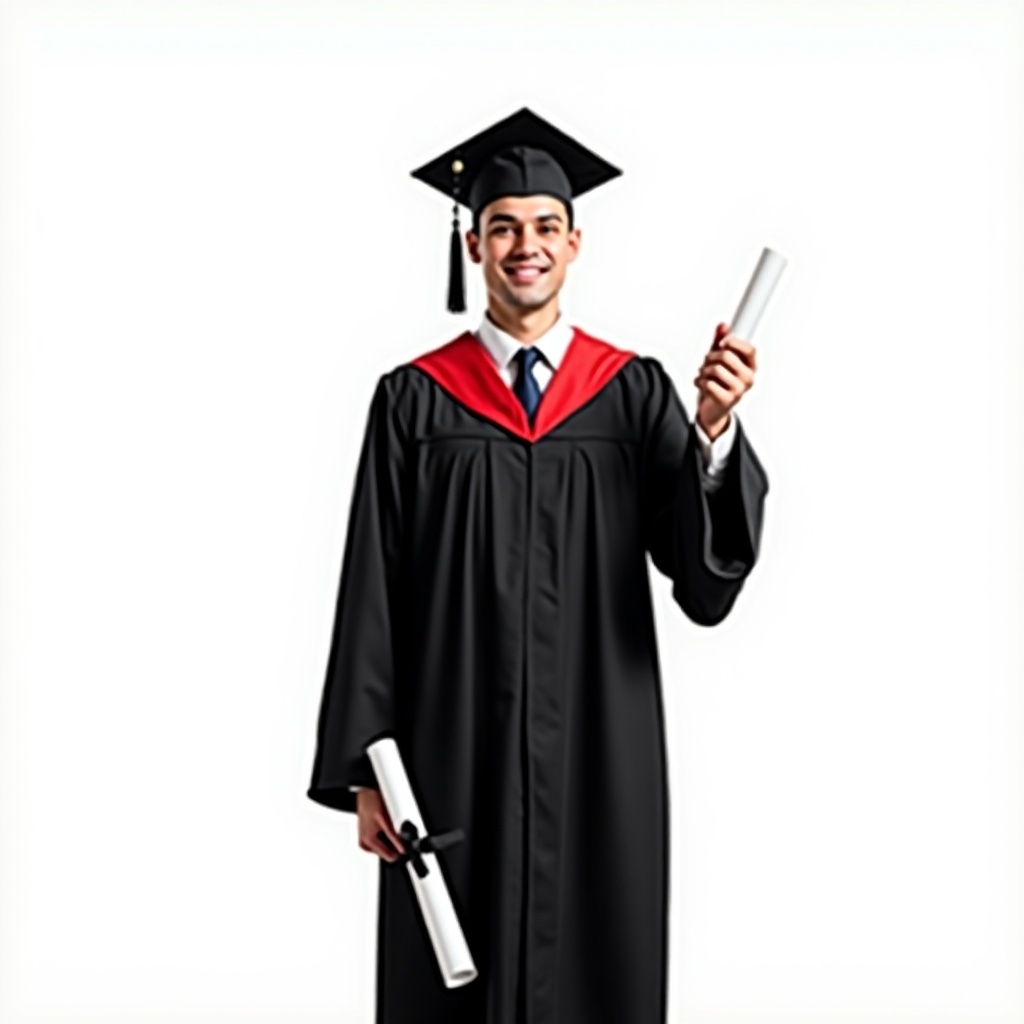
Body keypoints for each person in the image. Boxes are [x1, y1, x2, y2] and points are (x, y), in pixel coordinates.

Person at [307, 106, 769, 1024]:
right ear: (473, 245)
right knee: (449, 974)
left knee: (599, 961)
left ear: (575, 242)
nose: (527, 245)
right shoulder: (412, 401)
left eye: (545, 227)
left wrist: (711, 432)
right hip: (449, 744)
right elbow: (373, 584)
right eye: (505, 227)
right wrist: (366, 767)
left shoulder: (631, 392)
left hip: (603, 744)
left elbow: (700, 576)